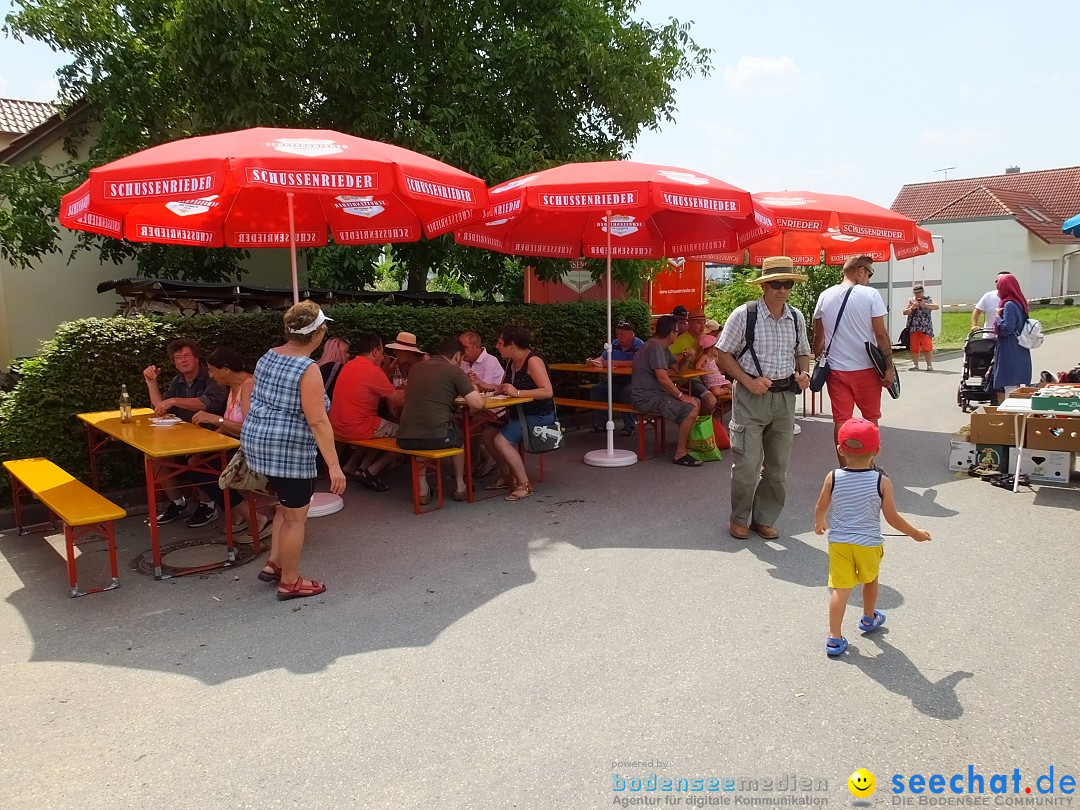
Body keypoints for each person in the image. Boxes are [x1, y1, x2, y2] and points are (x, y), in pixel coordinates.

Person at [242, 302, 346, 600]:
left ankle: (275, 563)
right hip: (288, 450)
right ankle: (290, 581)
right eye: (322, 327)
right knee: (296, 517)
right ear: (316, 334)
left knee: (285, 508)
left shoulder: (268, 356)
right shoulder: (307, 369)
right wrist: (335, 467)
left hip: (260, 444)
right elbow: (317, 420)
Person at [813, 419, 931, 657]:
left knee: (840, 589)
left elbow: (821, 505)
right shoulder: (881, 482)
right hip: (868, 544)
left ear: (840, 449)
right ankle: (868, 618)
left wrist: (820, 523)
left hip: (839, 543)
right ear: (876, 451)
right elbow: (892, 517)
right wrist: (915, 533)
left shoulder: (833, 477)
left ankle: (834, 638)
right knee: (871, 580)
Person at [715, 257, 812, 540]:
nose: (782, 289)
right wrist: (747, 381)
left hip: (785, 398)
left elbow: (802, 352)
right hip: (750, 398)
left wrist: (803, 373)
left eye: (787, 283)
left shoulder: (796, 317)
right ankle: (739, 518)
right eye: (775, 284)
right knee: (746, 464)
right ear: (764, 286)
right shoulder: (744, 315)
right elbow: (723, 354)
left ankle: (764, 518)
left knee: (778, 467)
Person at [812, 254, 896, 465]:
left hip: (836, 371)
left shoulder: (825, 295)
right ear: (860, 271)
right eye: (869, 273)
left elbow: (818, 336)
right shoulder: (870, 294)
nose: (869, 277)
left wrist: (818, 357)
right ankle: (868, 466)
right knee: (871, 419)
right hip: (867, 369)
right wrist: (889, 367)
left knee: (841, 420)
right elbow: (881, 335)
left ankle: (844, 467)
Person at [142, 338, 228, 525]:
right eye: (178, 357)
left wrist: (173, 401)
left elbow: (207, 402)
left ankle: (208, 505)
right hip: (185, 437)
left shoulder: (211, 376)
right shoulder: (177, 381)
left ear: (197, 358)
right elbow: (161, 407)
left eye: (187, 355)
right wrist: (151, 382)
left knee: (195, 460)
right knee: (153, 457)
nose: (183, 360)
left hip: (216, 436)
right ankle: (178, 503)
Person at [188, 347, 271, 541]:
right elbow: (227, 424)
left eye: (211, 369)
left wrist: (213, 419)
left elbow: (249, 428)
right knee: (195, 461)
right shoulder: (234, 387)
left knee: (201, 469)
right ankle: (239, 513)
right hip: (236, 445)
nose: (209, 374)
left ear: (225, 369)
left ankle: (254, 517)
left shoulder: (249, 386)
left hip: (253, 448)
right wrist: (205, 443)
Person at [397, 336, 486, 504]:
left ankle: (422, 488)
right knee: (458, 437)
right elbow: (478, 403)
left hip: (405, 438)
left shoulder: (417, 368)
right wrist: (472, 386)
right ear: (458, 356)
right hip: (435, 437)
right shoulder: (454, 371)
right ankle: (460, 486)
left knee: (422, 429)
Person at [477, 325, 557, 501]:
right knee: (488, 432)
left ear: (511, 344)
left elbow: (547, 391)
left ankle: (524, 484)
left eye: (499, 342)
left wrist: (518, 393)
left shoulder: (533, 361)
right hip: (518, 413)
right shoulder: (511, 362)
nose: (496, 346)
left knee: (501, 440)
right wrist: (486, 385)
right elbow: (508, 388)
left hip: (538, 414)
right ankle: (506, 475)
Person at [329, 333, 398, 492]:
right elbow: (398, 399)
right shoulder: (373, 371)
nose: (383, 356)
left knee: (379, 426)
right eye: (382, 352)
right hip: (357, 428)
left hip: (337, 425)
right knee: (406, 435)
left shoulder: (349, 365)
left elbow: (376, 386)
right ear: (375, 352)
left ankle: (353, 466)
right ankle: (371, 471)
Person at [630, 315, 701, 467]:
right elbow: (662, 378)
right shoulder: (655, 347)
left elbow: (678, 369)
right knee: (691, 408)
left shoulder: (661, 347)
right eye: (677, 332)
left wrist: (686, 358)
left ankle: (684, 445)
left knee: (696, 402)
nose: (678, 334)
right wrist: (682, 396)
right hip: (645, 398)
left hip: (654, 395)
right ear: (670, 333)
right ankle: (680, 454)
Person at [586, 320, 644, 436]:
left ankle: (629, 426)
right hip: (617, 378)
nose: (619, 337)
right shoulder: (614, 343)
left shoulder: (640, 345)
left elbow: (638, 362)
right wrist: (592, 361)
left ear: (631, 334)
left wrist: (614, 362)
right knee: (597, 390)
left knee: (626, 393)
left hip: (634, 379)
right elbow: (602, 358)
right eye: (618, 333)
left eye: (622, 334)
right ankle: (601, 424)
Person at [669, 307, 718, 415]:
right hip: (689, 380)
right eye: (698, 323)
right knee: (710, 401)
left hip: (707, 377)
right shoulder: (680, 340)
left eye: (704, 323)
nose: (702, 326)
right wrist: (685, 356)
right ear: (689, 323)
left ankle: (708, 424)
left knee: (734, 396)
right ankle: (696, 423)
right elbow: (666, 357)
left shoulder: (706, 339)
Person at [990, 273, 1033, 394]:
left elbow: (1006, 328)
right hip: (1020, 345)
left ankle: (1010, 409)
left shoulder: (1008, 305)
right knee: (1016, 380)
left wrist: (998, 317)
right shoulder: (1020, 302)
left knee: (1009, 381)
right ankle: (1015, 409)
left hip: (1010, 346)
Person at [383, 330, 428, 419]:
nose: (395, 352)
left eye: (398, 350)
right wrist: (387, 365)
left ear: (408, 351)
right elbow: (383, 377)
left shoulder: (424, 361)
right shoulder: (402, 361)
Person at [902, 285, 939, 371]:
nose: (917, 295)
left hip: (925, 327)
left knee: (927, 346)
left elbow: (936, 306)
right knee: (914, 346)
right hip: (914, 327)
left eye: (919, 292)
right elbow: (904, 312)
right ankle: (915, 364)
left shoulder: (928, 299)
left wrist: (925, 305)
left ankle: (929, 365)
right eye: (915, 293)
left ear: (923, 292)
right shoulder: (911, 300)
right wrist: (912, 308)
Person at [695, 334, 729, 401]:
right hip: (711, 381)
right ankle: (726, 391)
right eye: (715, 348)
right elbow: (697, 366)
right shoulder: (704, 356)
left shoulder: (712, 357)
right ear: (710, 349)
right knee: (716, 392)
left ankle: (727, 391)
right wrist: (701, 369)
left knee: (732, 386)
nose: (717, 350)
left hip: (718, 378)